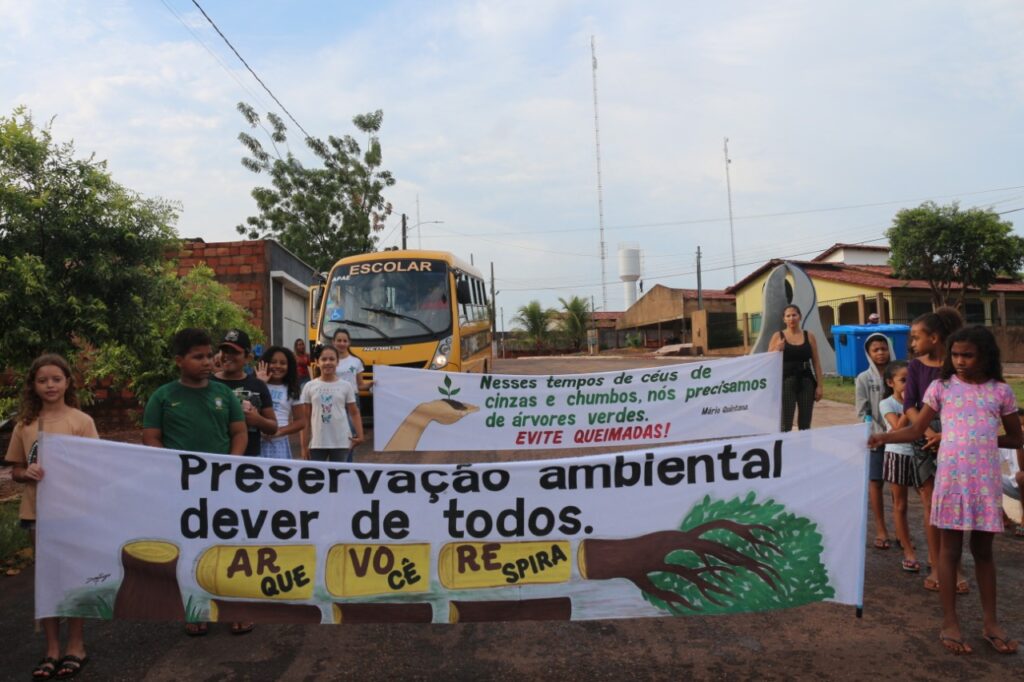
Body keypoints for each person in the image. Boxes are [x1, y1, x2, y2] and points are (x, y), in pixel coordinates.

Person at [870, 325, 1022, 655]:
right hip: (952, 482)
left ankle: (991, 623)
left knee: (984, 552)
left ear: (986, 356)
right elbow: (916, 430)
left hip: (984, 485)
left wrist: (984, 439)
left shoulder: (1000, 392)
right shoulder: (942, 387)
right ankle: (950, 623)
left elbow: (1016, 437)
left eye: (968, 355)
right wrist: (883, 437)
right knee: (949, 552)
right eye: (955, 355)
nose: (960, 361)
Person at [142, 328, 247, 636]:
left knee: (227, 544)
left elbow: (239, 432)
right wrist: (174, 468)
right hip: (182, 488)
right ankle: (195, 607)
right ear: (179, 361)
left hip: (222, 484)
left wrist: (230, 464)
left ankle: (235, 608)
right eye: (197, 357)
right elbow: (151, 438)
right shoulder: (163, 397)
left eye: (209, 356)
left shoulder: (224, 394)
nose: (207, 362)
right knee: (188, 548)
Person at [4, 354, 98, 680]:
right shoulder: (25, 425)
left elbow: (97, 464)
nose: (50, 385)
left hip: (74, 512)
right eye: (42, 380)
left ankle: (76, 645)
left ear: (68, 382)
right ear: (33, 385)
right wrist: (26, 472)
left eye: (56, 379)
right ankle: (52, 649)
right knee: (47, 579)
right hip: (37, 514)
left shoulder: (81, 421)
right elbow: (15, 470)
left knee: (73, 577)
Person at [903, 307, 965, 594]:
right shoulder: (916, 367)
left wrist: (946, 435)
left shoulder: (957, 365)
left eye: (916, 337)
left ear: (935, 337)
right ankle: (936, 565)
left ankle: (955, 566)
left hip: (954, 437)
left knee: (953, 503)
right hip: (923, 438)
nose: (913, 343)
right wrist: (928, 432)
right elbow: (910, 405)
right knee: (930, 503)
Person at [878, 361, 922, 572]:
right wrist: (909, 406)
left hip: (919, 455)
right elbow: (896, 428)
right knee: (900, 504)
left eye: (911, 380)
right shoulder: (887, 403)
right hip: (897, 454)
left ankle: (935, 555)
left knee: (929, 503)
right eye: (903, 380)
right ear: (890, 383)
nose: (908, 384)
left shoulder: (921, 402)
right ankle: (908, 551)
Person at [212, 329, 277, 457]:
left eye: (234, 352)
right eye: (224, 351)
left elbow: (273, 427)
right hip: (213, 459)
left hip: (249, 461)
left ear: (248, 357)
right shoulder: (208, 383)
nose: (227, 355)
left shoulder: (258, 385)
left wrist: (258, 420)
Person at [856, 333, 893, 551]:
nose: (880, 353)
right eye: (875, 350)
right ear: (868, 353)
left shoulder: (899, 373)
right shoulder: (863, 378)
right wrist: (876, 433)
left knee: (898, 487)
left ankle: (902, 531)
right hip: (875, 438)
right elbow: (862, 412)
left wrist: (897, 431)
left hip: (899, 436)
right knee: (876, 482)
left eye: (883, 348)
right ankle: (881, 528)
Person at [299, 344, 364, 462]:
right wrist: (303, 446)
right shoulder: (309, 386)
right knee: (317, 473)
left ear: (337, 362)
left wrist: (360, 435)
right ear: (317, 362)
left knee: (339, 473)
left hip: (341, 442)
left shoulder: (346, 386)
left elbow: (354, 412)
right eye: (324, 359)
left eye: (332, 359)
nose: (328, 362)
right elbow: (305, 418)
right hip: (317, 443)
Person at [768, 304, 823, 431]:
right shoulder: (778, 336)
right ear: (784, 319)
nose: (791, 318)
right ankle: (784, 444)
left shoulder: (809, 336)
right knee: (785, 422)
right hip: (786, 381)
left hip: (806, 381)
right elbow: (768, 360)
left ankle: (805, 444)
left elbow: (816, 362)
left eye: (794, 315)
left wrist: (820, 386)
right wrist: (777, 349)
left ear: (800, 317)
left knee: (805, 423)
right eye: (788, 316)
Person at [255, 346, 307, 459]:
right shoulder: (256, 384)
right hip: (255, 442)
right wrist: (260, 384)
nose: (278, 366)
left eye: (283, 363)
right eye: (273, 362)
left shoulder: (292, 390)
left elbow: (301, 422)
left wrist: (279, 431)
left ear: (289, 367)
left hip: (279, 444)